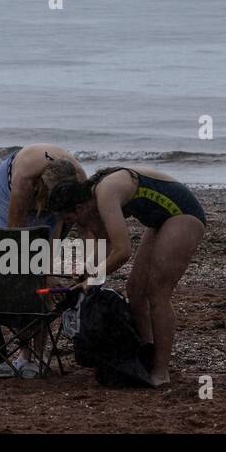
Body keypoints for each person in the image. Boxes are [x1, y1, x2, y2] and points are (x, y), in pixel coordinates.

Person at [44, 165, 207, 386]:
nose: (73, 224)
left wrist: (93, 278)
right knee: (135, 290)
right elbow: (106, 244)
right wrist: (85, 276)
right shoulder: (91, 203)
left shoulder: (105, 193)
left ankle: (160, 372)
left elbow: (123, 252)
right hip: (159, 220)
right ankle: (145, 358)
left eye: (69, 218)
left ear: (80, 207)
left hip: (183, 213)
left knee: (158, 292)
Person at [0, 145, 86, 377]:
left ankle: (36, 356)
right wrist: (39, 273)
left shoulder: (79, 181)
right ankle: (23, 352)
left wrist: (49, 270)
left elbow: (62, 227)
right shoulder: (25, 180)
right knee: (18, 272)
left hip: (56, 196)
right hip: (5, 194)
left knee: (42, 281)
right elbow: (14, 240)